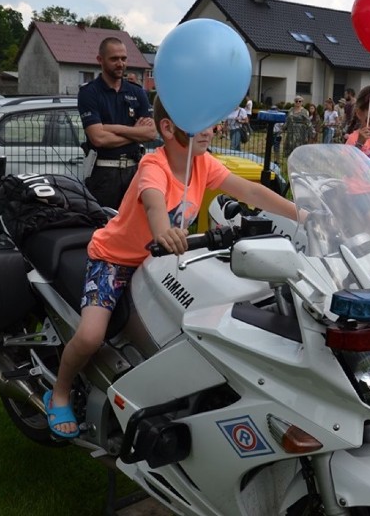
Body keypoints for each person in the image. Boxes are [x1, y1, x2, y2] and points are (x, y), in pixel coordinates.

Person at [42, 96, 299, 438]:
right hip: (115, 260)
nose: (211, 129)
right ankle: (59, 392)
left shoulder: (203, 163)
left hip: (161, 263)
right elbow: (153, 202)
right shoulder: (154, 165)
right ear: (167, 127)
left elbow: (251, 190)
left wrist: (302, 216)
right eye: (200, 123)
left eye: (211, 121)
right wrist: (163, 232)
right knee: (91, 335)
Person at [78, 37, 157, 210]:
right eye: (114, 59)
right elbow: (98, 138)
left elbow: (151, 133)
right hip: (104, 175)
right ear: (100, 60)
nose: (120, 63)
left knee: (134, 229)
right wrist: (135, 134)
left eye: (123, 58)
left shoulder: (137, 92)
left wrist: (112, 128)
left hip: (134, 172)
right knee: (103, 228)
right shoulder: (89, 93)